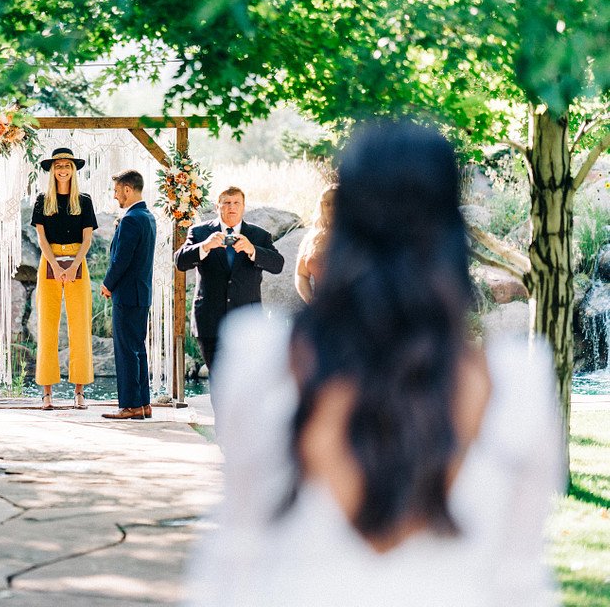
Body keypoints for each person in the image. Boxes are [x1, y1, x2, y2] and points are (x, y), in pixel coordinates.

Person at [186, 123, 563, 606]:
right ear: (449, 228)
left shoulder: (262, 365)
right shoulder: (520, 387)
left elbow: (233, 569)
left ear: (345, 222)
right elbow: (524, 585)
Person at [174, 186, 284, 375]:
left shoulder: (259, 235)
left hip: (247, 322)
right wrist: (205, 246)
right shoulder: (199, 233)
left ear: (243, 207)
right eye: (226, 203)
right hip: (210, 321)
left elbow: (278, 264)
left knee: (246, 381)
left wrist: (253, 250)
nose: (231, 207)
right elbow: (180, 261)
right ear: (217, 207)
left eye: (236, 203)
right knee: (218, 379)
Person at [30, 148, 98, 410]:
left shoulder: (84, 200)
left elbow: (87, 239)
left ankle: (79, 390)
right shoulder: (42, 200)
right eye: (58, 165)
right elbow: (41, 238)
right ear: (52, 169)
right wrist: (55, 266)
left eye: (67, 165)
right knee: (47, 325)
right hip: (49, 262)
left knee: (79, 325)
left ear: (73, 170)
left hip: (77, 263)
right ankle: (47, 392)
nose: (62, 170)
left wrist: (72, 267)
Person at [100, 170, 156, 420]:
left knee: (126, 350)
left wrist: (108, 284)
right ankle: (143, 404)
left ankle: (130, 405)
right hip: (141, 293)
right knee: (137, 349)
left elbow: (122, 259)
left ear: (127, 189)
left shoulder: (132, 219)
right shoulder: (147, 216)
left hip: (127, 293)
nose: (115, 197)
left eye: (116, 191)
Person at [294, 184, 337, 304]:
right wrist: (310, 300)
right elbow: (301, 275)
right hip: (322, 313)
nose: (331, 208)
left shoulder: (358, 237)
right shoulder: (311, 239)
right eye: (327, 204)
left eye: (336, 203)